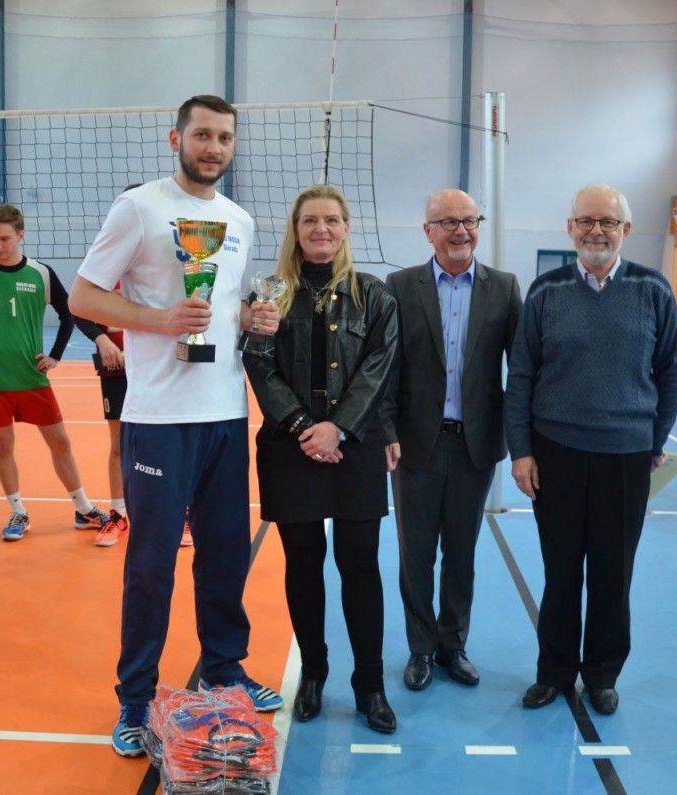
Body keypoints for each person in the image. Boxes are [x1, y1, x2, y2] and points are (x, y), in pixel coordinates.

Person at [68, 95, 285, 758]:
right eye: (202, 135)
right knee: (152, 565)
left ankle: (224, 666)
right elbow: (83, 296)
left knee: (225, 555)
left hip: (225, 414)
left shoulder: (239, 220)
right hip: (160, 418)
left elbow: (228, 305)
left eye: (224, 138)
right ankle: (136, 696)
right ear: (176, 138)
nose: (213, 148)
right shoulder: (139, 207)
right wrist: (159, 321)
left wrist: (253, 317)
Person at [505, 184, 677, 715]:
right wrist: (521, 450)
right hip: (555, 452)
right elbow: (521, 375)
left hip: (626, 456)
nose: (596, 231)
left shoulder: (653, 289)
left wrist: (653, 441)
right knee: (560, 573)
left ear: (626, 230)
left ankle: (603, 675)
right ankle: (554, 672)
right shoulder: (546, 291)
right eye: (586, 221)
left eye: (608, 222)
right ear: (570, 228)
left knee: (613, 574)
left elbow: (673, 372)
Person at [244, 185, 399, 733]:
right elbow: (259, 363)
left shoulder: (373, 295)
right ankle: (313, 673)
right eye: (310, 220)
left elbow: (378, 369)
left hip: (354, 447)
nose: (321, 229)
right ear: (296, 229)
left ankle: (370, 684)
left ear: (346, 229)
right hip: (290, 448)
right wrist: (303, 428)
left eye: (331, 220)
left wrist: (338, 429)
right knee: (303, 563)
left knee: (360, 564)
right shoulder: (270, 293)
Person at [382, 189, 522, 692]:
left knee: (461, 554)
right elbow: (385, 367)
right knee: (416, 555)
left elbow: (521, 370)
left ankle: (452, 645)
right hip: (415, 445)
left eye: (469, 220)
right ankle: (420, 649)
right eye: (448, 222)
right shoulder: (400, 286)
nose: (461, 230)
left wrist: (524, 442)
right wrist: (386, 431)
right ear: (428, 231)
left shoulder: (504, 288)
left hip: (474, 446)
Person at [0, 204, 109, 541]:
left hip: (33, 376)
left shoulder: (41, 273)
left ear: (21, 235)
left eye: (4, 238)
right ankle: (18, 512)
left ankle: (83, 508)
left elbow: (70, 312)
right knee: (3, 446)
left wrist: (55, 356)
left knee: (60, 442)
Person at [80, 183, 193, 549]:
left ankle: (183, 512)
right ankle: (118, 513)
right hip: (117, 368)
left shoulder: (171, 264)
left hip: (163, 368)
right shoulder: (104, 263)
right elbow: (79, 307)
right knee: (120, 444)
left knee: (176, 442)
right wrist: (100, 339)